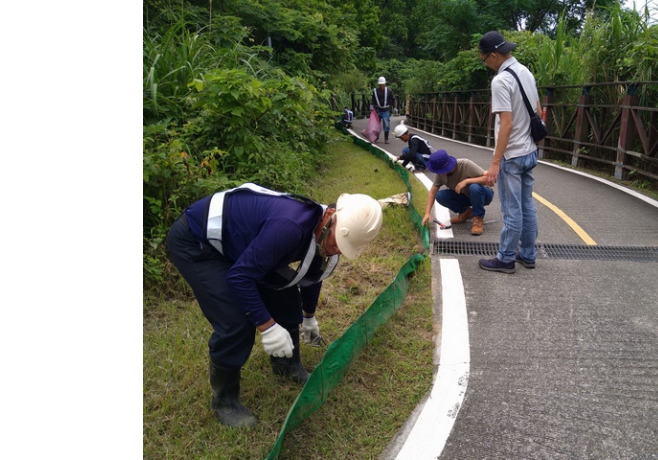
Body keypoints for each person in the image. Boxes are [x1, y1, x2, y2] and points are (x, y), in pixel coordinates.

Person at [166, 183, 383, 427]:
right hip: (198, 242)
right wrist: (267, 327)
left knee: (286, 299)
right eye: (336, 242)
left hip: (239, 244)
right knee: (236, 320)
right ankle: (224, 402)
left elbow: (311, 274)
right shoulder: (290, 228)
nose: (336, 250)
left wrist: (309, 317)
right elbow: (240, 278)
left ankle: (286, 367)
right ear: (331, 216)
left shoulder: (321, 230)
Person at [477, 30, 541, 274]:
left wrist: (495, 162)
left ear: (493, 55)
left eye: (485, 60)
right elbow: (537, 109)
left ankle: (505, 258)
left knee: (511, 208)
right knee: (527, 205)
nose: (487, 65)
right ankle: (528, 254)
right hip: (530, 151)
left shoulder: (501, 80)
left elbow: (506, 123)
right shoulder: (526, 72)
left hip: (512, 155)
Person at [421, 149, 494, 236]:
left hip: (483, 194)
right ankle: (466, 212)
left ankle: (478, 218)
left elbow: (489, 179)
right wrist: (427, 213)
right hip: (465, 196)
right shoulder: (440, 175)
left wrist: (467, 181)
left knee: (474, 187)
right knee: (440, 195)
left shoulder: (465, 164)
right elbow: (432, 193)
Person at [371, 76, 397, 143]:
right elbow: (373, 100)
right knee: (376, 125)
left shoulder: (389, 91)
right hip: (377, 110)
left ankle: (386, 138)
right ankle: (376, 137)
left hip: (385, 110)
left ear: (385, 84)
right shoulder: (375, 91)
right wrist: (371, 106)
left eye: (382, 85)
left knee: (386, 125)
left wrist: (395, 107)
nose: (381, 86)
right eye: (380, 85)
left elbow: (394, 99)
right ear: (378, 84)